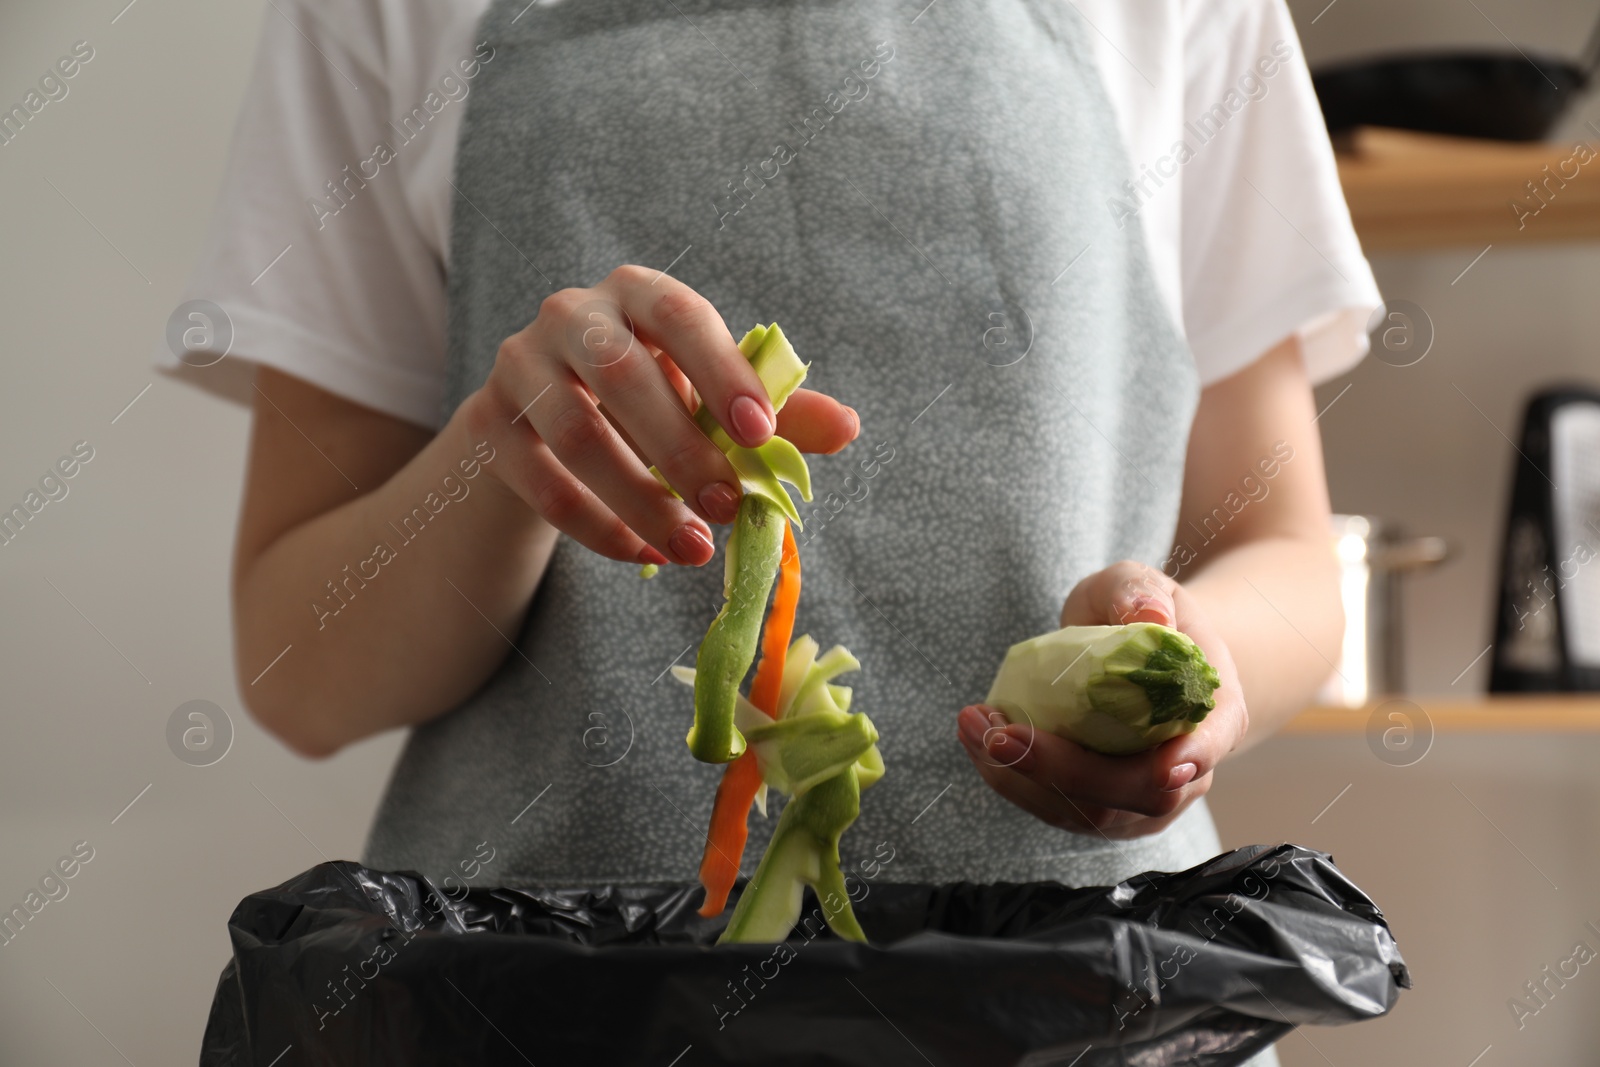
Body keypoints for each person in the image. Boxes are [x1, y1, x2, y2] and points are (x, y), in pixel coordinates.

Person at [160, 0, 1377, 1060]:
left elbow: (1285, 556)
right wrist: (502, 451)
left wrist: (1193, 664)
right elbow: (299, 670)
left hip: (1083, 1015)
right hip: (531, 1019)